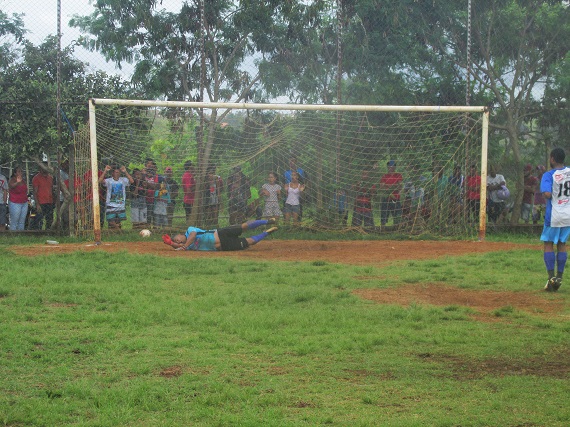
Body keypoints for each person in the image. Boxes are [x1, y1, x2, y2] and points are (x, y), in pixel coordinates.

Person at [540, 148, 570, 292]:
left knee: (548, 243)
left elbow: (547, 194)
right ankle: (559, 277)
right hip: (568, 215)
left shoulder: (549, 174)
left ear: (552, 159)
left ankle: (551, 279)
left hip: (554, 215)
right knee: (562, 243)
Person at [163, 219, 277, 251]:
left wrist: (183, 246)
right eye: (177, 242)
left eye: (176, 239)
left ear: (180, 234)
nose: (178, 241)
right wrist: (171, 244)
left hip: (221, 233)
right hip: (224, 246)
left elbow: (192, 236)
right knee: (250, 242)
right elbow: (179, 247)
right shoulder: (188, 246)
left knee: (244, 226)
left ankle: (267, 221)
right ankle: (266, 232)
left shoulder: (189, 230)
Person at [98, 165, 134, 229]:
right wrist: (105, 171)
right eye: (116, 172)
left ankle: (118, 233)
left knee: (119, 221)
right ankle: (116, 231)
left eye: (119, 172)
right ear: (112, 173)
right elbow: (100, 181)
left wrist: (125, 171)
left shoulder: (123, 180)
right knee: (110, 221)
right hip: (111, 204)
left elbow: (132, 181)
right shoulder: (109, 180)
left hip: (120, 204)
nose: (117, 173)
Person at [379, 160, 403, 227]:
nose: (390, 167)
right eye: (389, 166)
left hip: (395, 198)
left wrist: (387, 186)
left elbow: (400, 186)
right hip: (386, 198)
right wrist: (394, 186)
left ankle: (397, 228)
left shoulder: (398, 175)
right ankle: (382, 229)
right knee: (384, 215)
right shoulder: (384, 176)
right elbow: (381, 186)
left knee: (397, 215)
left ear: (395, 167)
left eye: (392, 166)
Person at [31, 164, 55, 230]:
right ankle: (37, 233)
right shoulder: (36, 178)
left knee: (49, 219)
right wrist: (37, 204)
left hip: (49, 201)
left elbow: (52, 190)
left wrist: (54, 201)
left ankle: (48, 231)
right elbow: (35, 192)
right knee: (39, 219)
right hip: (41, 202)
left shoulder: (50, 178)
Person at [8, 166, 28, 231]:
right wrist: (17, 182)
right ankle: (13, 235)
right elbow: (11, 186)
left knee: (22, 221)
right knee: (14, 221)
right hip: (15, 203)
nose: (21, 173)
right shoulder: (12, 180)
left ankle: (21, 235)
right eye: (19, 171)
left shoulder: (23, 180)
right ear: (15, 173)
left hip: (24, 202)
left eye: (21, 171)